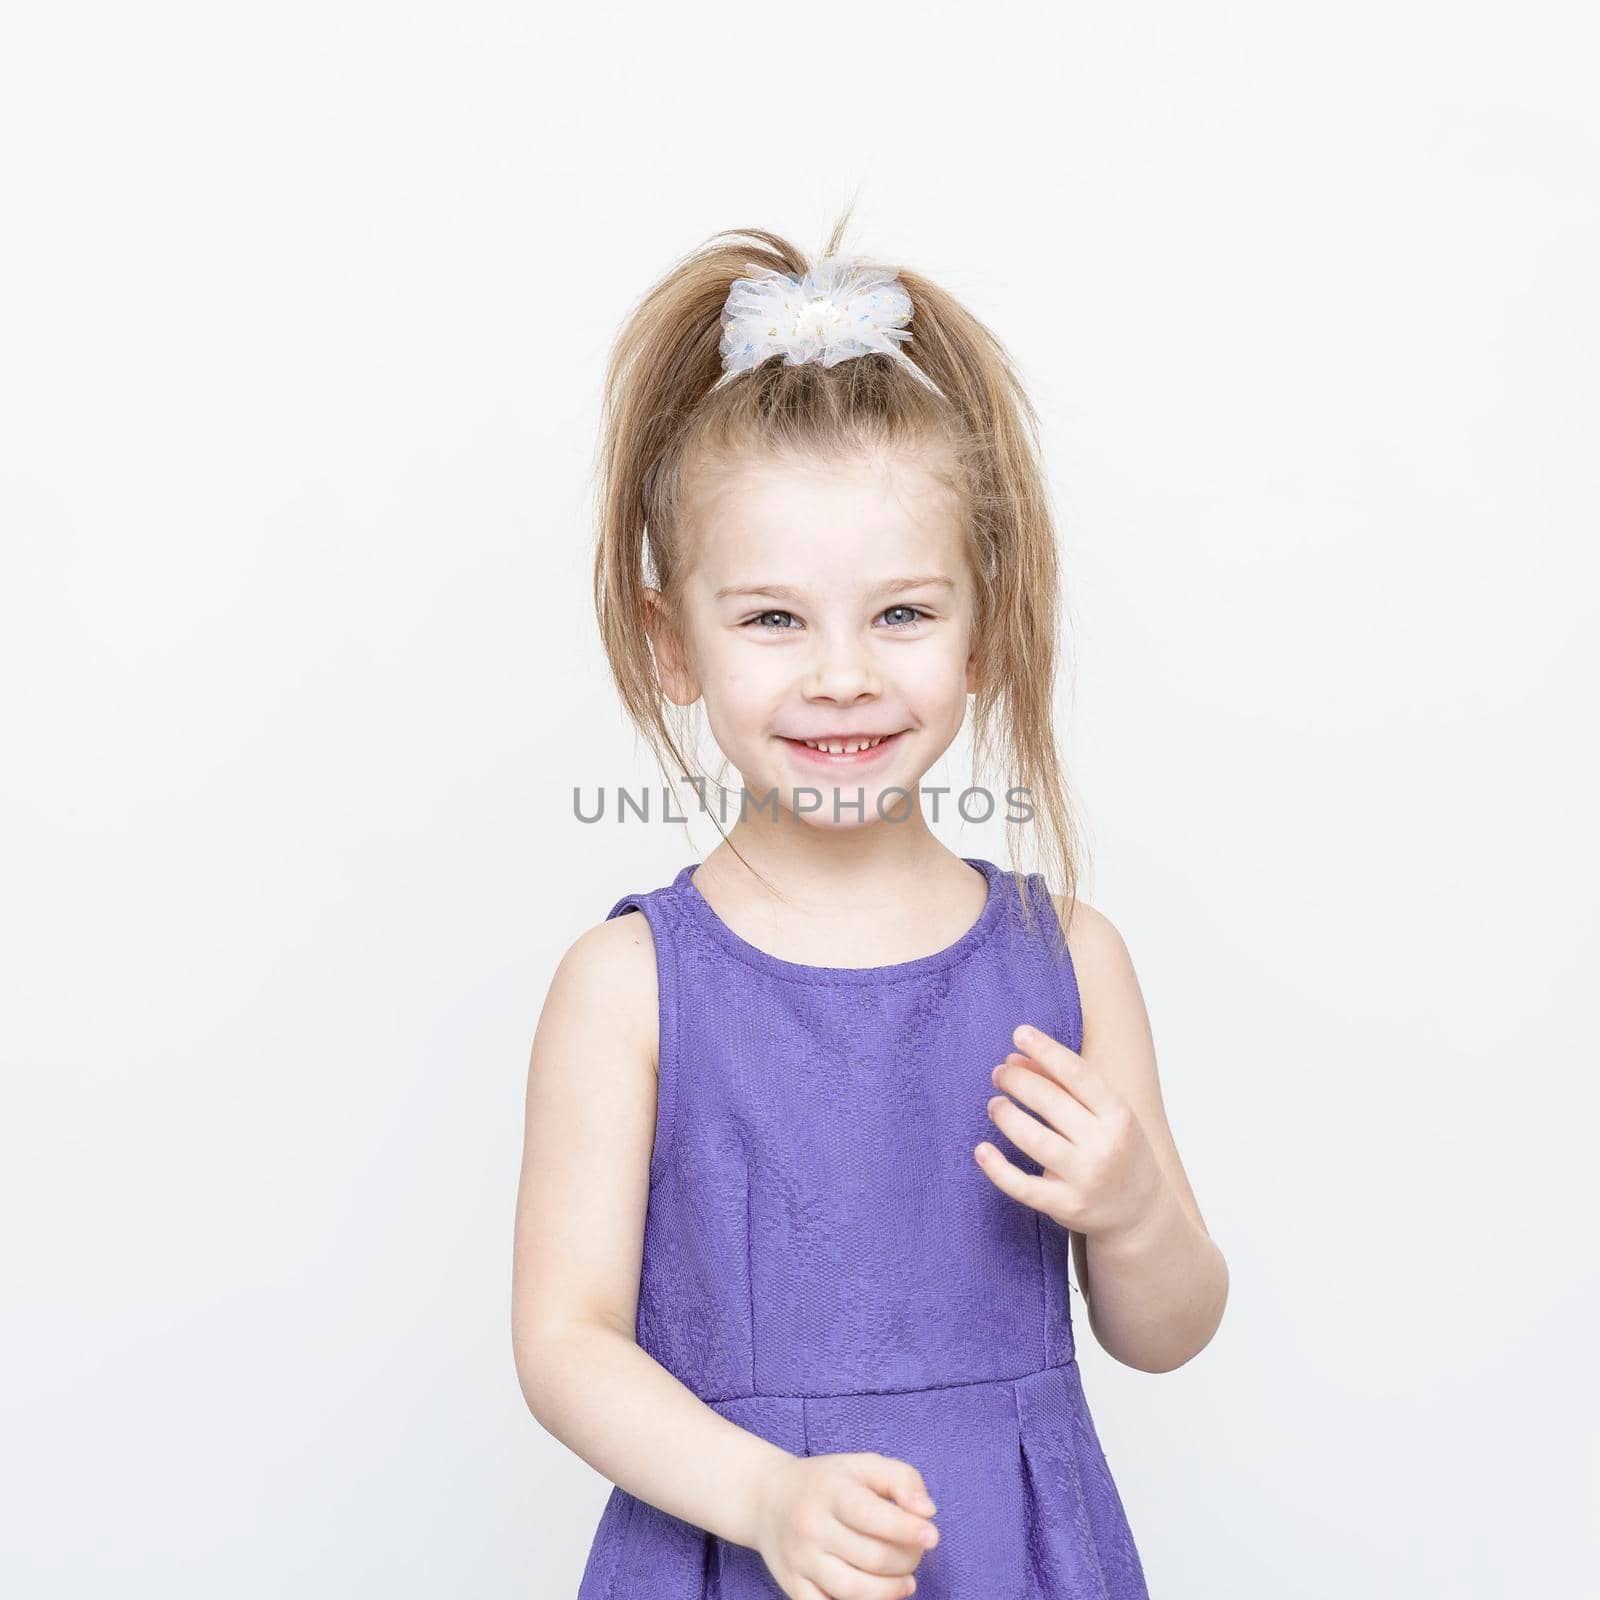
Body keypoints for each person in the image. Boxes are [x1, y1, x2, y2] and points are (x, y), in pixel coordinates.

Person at [511, 208, 1229, 1600]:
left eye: (900, 614)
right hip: (730, 1550)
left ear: (987, 627)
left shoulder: (1069, 960)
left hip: (1017, 1555)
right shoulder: (628, 985)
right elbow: (563, 1341)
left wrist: (1134, 1209)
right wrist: (764, 1496)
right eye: (774, 620)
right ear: (675, 646)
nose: (841, 675)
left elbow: (1168, 1330)